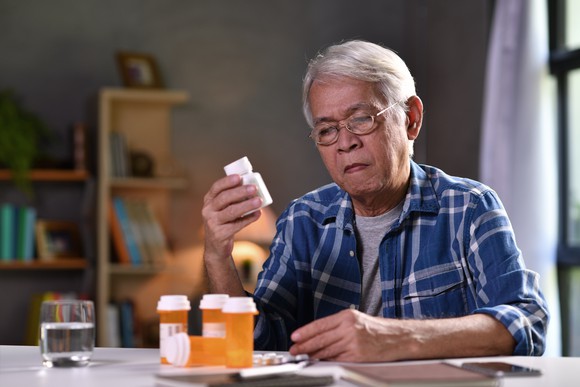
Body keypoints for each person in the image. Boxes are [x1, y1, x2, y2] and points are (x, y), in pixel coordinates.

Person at [201, 40, 549, 362]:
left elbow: (525, 324)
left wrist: (397, 338)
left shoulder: (469, 208)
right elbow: (258, 343)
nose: (344, 143)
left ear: (411, 120)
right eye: (327, 130)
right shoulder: (302, 221)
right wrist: (217, 256)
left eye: (361, 120)